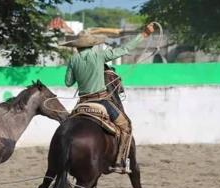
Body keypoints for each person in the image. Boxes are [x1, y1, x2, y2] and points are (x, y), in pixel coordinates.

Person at [62, 23, 155, 174]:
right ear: (91, 45)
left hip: (82, 103)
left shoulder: (73, 60)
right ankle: (119, 162)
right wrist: (143, 35)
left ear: (77, 47)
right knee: (126, 126)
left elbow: (68, 83)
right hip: (101, 101)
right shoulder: (99, 55)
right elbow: (124, 49)